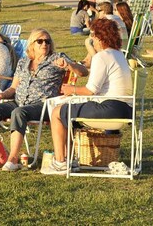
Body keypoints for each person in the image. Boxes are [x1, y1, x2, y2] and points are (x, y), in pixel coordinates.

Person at [0, 29, 88, 172]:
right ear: (32, 44)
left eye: (47, 41)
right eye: (40, 41)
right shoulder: (23, 61)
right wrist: (3, 95)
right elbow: (14, 87)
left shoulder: (57, 58)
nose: (44, 44)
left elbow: (83, 72)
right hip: (19, 101)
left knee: (19, 112)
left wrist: (68, 65)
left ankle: (13, 159)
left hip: (43, 105)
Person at [42, 18, 133, 174]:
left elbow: (91, 90)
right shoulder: (119, 55)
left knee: (57, 111)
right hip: (126, 110)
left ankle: (60, 162)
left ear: (98, 38)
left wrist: (72, 90)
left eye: (92, 36)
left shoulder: (102, 57)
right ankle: (71, 159)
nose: (92, 40)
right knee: (69, 110)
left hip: (109, 110)